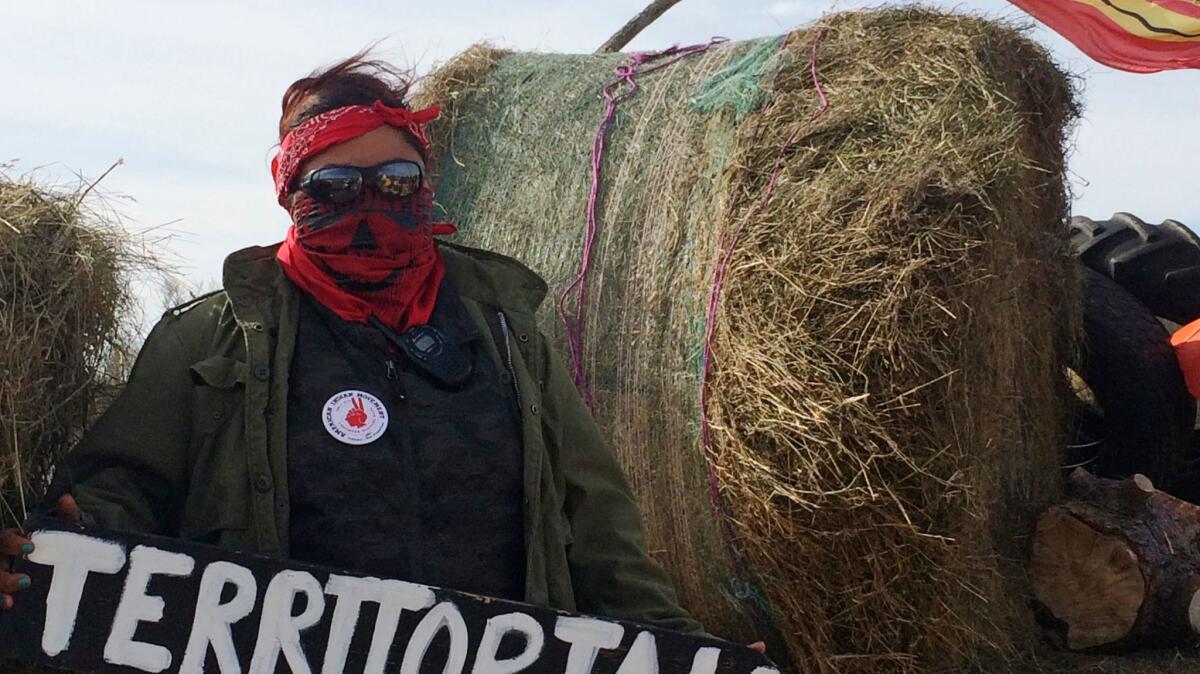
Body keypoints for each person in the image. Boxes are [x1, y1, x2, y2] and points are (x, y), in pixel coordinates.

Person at [0, 53, 709, 636]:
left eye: (397, 182)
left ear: (426, 187)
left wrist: (680, 647)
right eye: (335, 185)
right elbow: (124, 489)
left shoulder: (504, 331)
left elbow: (598, 523)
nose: (371, 203)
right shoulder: (212, 338)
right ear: (290, 192)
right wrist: (58, 548)